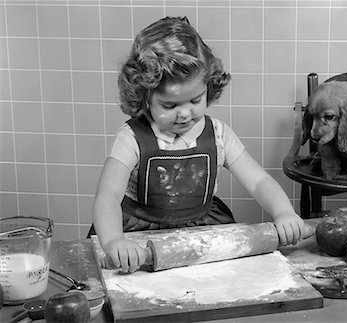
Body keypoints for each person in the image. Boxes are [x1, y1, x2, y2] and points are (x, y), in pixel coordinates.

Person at [92, 16, 314, 273]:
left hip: (203, 230)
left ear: (209, 86)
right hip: (139, 234)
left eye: (195, 100)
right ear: (145, 96)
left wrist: (284, 212)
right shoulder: (131, 138)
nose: (184, 114)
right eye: (169, 105)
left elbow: (258, 181)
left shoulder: (218, 134)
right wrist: (114, 240)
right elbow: (108, 195)